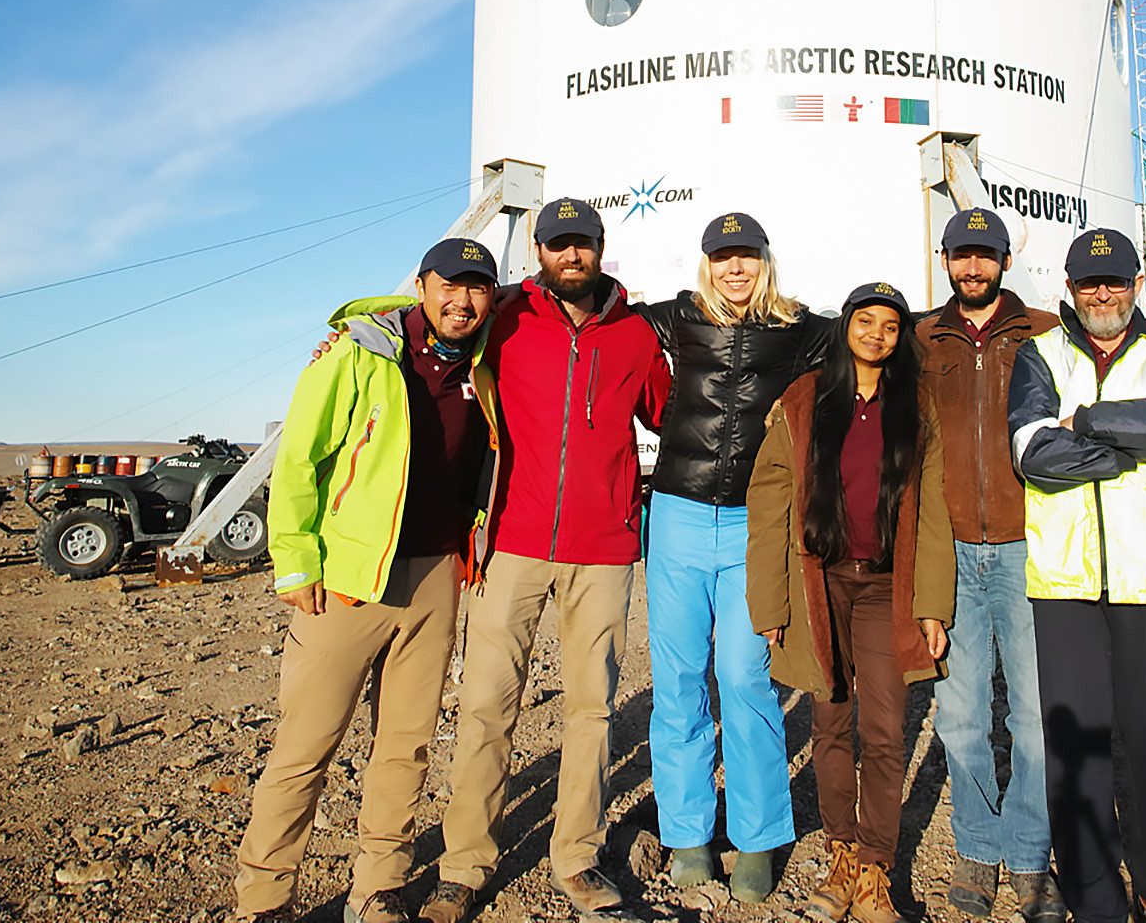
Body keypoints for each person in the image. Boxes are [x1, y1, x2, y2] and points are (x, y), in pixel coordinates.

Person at [232, 238, 502, 923]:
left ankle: (377, 888)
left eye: (477, 289)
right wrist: (294, 561)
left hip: (437, 573)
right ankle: (264, 900)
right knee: (306, 746)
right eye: (450, 284)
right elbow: (300, 460)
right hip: (347, 580)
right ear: (420, 285)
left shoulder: (484, 363)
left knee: (405, 746)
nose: (461, 300)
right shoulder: (357, 353)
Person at [426, 198, 671, 922]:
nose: (572, 257)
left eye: (584, 245)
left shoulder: (634, 333)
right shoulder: (504, 316)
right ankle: (466, 862)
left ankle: (577, 855)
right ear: (537, 249)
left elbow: (669, 412)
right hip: (514, 542)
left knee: (591, 708)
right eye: (559, 245)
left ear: (600, 249)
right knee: (486, 706)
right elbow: (434, 332)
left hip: (604, 550)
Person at [1007, 229, 1146, 923]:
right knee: (1078, 752)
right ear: (1068, 288)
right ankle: (1095, 897)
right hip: (1065, 585)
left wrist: (1090, 420)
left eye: (1116, 281)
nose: (1103, 293)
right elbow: (1032, 450)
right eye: (1089, 282)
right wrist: (1135, 446)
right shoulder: (1038, 355)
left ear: (1136, 285)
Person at [637, 213, 833, 901]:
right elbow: (593, 317)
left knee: (748, 679)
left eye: (746, 256)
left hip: (758, 525)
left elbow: (888, 339)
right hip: (680, 516)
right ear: (707, 265)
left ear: (765, 260)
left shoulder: (803, 330)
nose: (735, 269)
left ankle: (757, 836)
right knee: (679, 678)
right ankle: (687, 832)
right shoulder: (678, 318)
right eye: (723, 258)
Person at [746, 282, 954, 923]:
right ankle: (839, 856)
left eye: (890, 327)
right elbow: (769, 497)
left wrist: (932, 606)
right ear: (846, 328)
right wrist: (770, 605)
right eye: (866, 322)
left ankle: (874, 872)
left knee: (885, 731)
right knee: (830, 725)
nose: (878, 335)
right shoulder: (805, 398)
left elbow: (934, 504)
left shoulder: (915, 404)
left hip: (886, 586)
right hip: (821, 582)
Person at [913, 208, 1063, 923]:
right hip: (951, 551)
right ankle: (977, 846)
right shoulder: (921, 338)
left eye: (986, 256)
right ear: (944, 259)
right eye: (961, 256)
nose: (973, 268)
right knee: (962, 714)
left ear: (1006, 259)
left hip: (1027, 545)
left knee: (1034, 717)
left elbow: (1118, 354)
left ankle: (1031, 856)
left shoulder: (1045, 331)